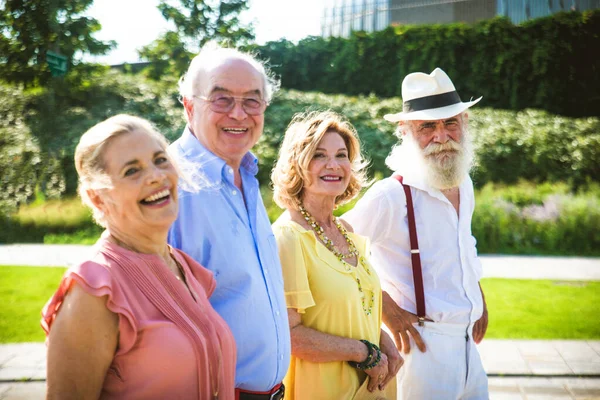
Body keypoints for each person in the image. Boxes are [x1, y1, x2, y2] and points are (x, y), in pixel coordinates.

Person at [41, 114, 236, 399]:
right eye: (132, 171)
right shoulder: (95, 290)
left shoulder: (184, 267)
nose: (156, 176)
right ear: (98, 198)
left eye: (160, 160)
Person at [344, 68, 489, 399]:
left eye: (450, 122)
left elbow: (462, 247)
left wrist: (477, 295)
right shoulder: (391, 195)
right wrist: (386, 309)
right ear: (406, 131)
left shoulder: (463, 183)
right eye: (428, 126)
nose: (442, 135)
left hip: (469, 346)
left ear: (464, 122)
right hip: (421, 350)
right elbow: (333, 251)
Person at [168, 43, 290, 399]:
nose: (239, 114)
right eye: (221, 100)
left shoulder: (247, 178)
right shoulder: (168, 185)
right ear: (189, 106)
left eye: (252, 101)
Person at [270, 111, 402, 400]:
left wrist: (383, 341)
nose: (333, 165)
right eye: (319, 155)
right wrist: (364, 352)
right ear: (297, 165)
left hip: (371, 391)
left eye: (341, 155)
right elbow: (289, 337)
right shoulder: (288, 238)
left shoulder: (345, 230)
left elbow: (354, 307)